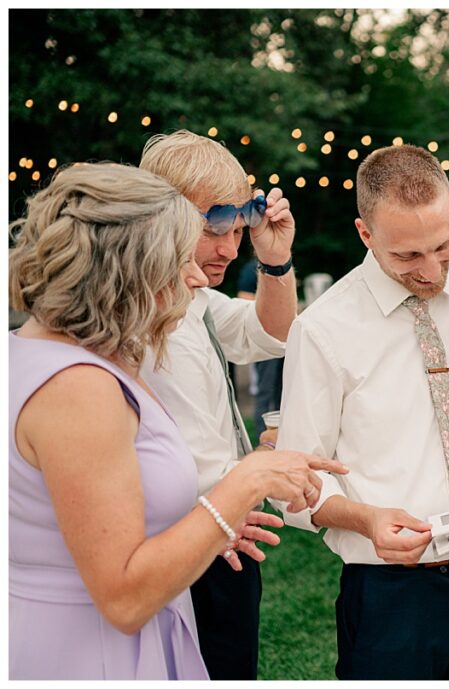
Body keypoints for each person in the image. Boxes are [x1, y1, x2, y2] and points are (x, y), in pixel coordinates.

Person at [8, 163, 346, 680]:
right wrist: (245, 481)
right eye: (175, 260)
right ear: (125, 269)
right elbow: (123, 596)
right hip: (88, 651)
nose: (196, 275)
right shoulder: (79, 388)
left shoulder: (55, 351)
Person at [275, 144, 449, 680]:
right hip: (388, 594)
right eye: (407, 256)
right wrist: (366, 519)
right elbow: (298, 481)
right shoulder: (323, 329)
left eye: (442, 246)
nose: (431, 270)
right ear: (365, 234)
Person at [138, 129, 299, 680]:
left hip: (230, 531)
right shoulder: (122, 316)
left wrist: (275, 264)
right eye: (214, 229)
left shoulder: (201, 300)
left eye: (237, 231)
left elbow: (271, 336)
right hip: (170, 541)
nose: (230, 250)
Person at [238, 257, 285, 437]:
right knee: (265, 390)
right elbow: (244, 300)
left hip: (283, 340)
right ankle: (261, 437)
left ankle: (283, 436)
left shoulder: (282, 268)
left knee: (284, 391)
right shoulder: (252, 270)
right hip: (264, 339)